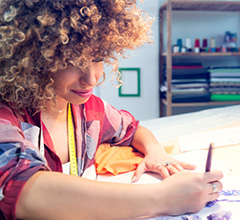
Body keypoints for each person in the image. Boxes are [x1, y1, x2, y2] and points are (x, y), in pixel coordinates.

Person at [0, 0, 223, 219]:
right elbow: (21, 190)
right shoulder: (6, 116)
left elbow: (132, 129)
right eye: (70, 61)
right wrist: (165, 198)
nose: (91, 79)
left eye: (97, 58)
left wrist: (155, 151)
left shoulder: (91, 110)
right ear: (34, 57)